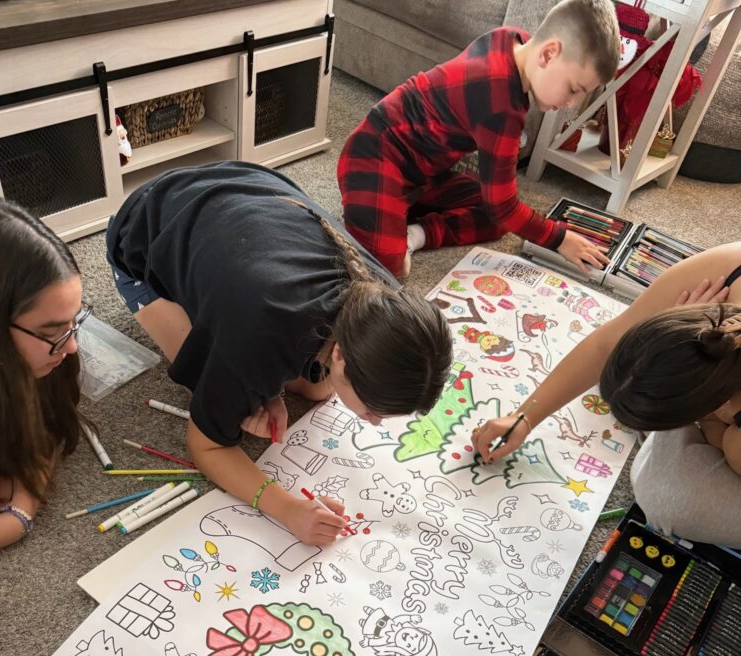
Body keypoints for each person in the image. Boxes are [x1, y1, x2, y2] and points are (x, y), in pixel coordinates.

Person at [106, 161, 452, 547]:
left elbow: (302, 363)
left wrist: (270, 390)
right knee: (234, 406)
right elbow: (207, 446)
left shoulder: (382, 296)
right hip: (145, 222)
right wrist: (288, 509)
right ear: (340, 353)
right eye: (373, 410)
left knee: (317, 390)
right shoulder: (259, 331)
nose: (373, 422)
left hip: (238, 184)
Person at [472, 242, 741, 546]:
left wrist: (714, 424)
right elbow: (606, 345)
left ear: (715, 406)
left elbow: (727, 447)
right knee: (631, 382)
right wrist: (523, 416)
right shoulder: (726, 266)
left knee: (665, 499)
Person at [337, 0, 620, 279]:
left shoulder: (512, 38)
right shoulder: (500, 104)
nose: (571, 103)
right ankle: (381, 223)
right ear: (548, 54)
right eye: (573, 89)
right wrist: (558, 239)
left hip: (421, 172)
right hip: (373, 161)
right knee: (386, 272)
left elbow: (499, 207)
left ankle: (413, 233)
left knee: (497, 220)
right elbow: (504, 204)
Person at [0, 196, 86, 555]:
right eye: (51, 331)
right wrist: (15, 519)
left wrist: (24, 460)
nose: (72, 348)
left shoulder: (45, 358)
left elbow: (51, 425)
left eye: (74, 321)